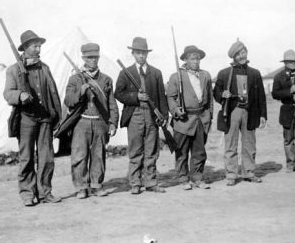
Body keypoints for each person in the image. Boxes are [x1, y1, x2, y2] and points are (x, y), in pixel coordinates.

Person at [3, 30, 62, 206]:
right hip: (26, 119)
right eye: (35, 46)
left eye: (39, 45)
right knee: (26, 157)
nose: (38, 49)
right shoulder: (13, 70)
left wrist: (56, 117)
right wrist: (20, 95)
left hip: (45, 119)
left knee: (47, 158)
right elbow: (7, 93)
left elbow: (53, 93)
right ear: (26, 48)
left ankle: (45, 193)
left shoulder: (44, 68)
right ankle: (27, 194)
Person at [64, 43, 119, 198]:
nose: (93, 60)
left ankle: (96, 185)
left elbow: (112, 103)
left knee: (98, 156)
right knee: (79, 156)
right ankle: (81, 187)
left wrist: (113, 122)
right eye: (90, 57)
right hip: (81, 122)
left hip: (100, 122)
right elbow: (68, 100)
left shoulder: (106, 79)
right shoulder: (75, 79)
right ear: (83, 58)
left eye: (96, 57)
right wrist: (81, 91)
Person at [114, 37, 168, 194]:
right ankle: (135, 183)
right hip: (135, 114)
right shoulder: (125, 73)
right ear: (133, 53)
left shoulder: (156, 73)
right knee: (135, 150)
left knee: (151, 150)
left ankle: (151, 182)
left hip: (152, 115)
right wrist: (136, 97)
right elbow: (119, 93)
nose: (141, 56)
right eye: (138, 53)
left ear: (147, 54)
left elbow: (161, 97)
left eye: (144, 53)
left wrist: (164, 116)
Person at [213, 39, 267, 186]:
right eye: (238, 54)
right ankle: (231, 174)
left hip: (250, 112)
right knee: (231, 144)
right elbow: (216, 92)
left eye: (243, 52)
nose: (242, 56)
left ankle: (249, 172)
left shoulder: (255, 73)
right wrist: (222, 95)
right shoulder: (224, 74)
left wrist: (263, 115)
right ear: (233, 57)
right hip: (232, 111)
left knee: (249, 144)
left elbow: (261, 96)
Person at [167, 45, 213, 190]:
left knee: (199, 151)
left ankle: (197, 177)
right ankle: (182, 178)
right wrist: (175, 110)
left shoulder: (205, 75)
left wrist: (209, 115)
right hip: (183, 120)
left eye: (197, 58)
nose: (195, 61)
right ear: (185, 59)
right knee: (182, 151)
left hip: (201, 118)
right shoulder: (176, 76)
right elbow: (170, 97)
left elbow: (210, 99)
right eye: (192, 58)